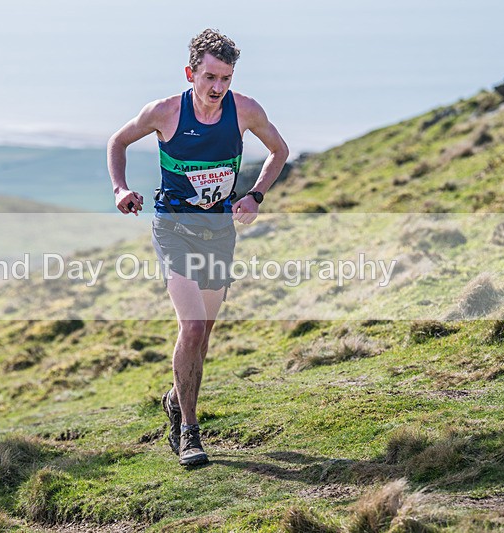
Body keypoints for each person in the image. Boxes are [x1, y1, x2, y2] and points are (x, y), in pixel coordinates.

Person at [107, 29, 289, 466]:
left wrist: (255, 195)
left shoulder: (245, 110)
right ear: (191, 74)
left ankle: (176, 397)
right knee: (190, 327)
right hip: (174, 227)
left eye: (225, 78)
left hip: (219, 231)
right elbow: (118, 141)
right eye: (210, 77)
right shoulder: (165, 112)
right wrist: (120, 188)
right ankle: (188, 431)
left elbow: (279, 151)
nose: (217, 87)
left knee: (202, 336)